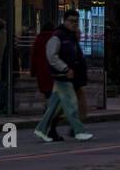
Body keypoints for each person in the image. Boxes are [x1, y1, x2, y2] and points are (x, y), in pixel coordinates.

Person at [33, 10, 92, 142]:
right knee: (71, 104)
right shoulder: (58, 36)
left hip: (66, 75)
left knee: (53, 107)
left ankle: (41, 129)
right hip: (62, 75)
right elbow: (51, 56)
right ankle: (79, 131)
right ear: (64, 21)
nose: (74, 24)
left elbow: (76, 56)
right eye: (71, 21)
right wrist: (65, 68)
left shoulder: (70, 36)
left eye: (76, 21)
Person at [28, 21, 61, 140]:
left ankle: (48, 128)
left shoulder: (38, 40)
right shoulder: (56, 39)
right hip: (54, 75)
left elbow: (34, 57)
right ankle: (51, 129)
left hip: (42, 75)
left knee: (50, 101)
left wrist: (33, 72)